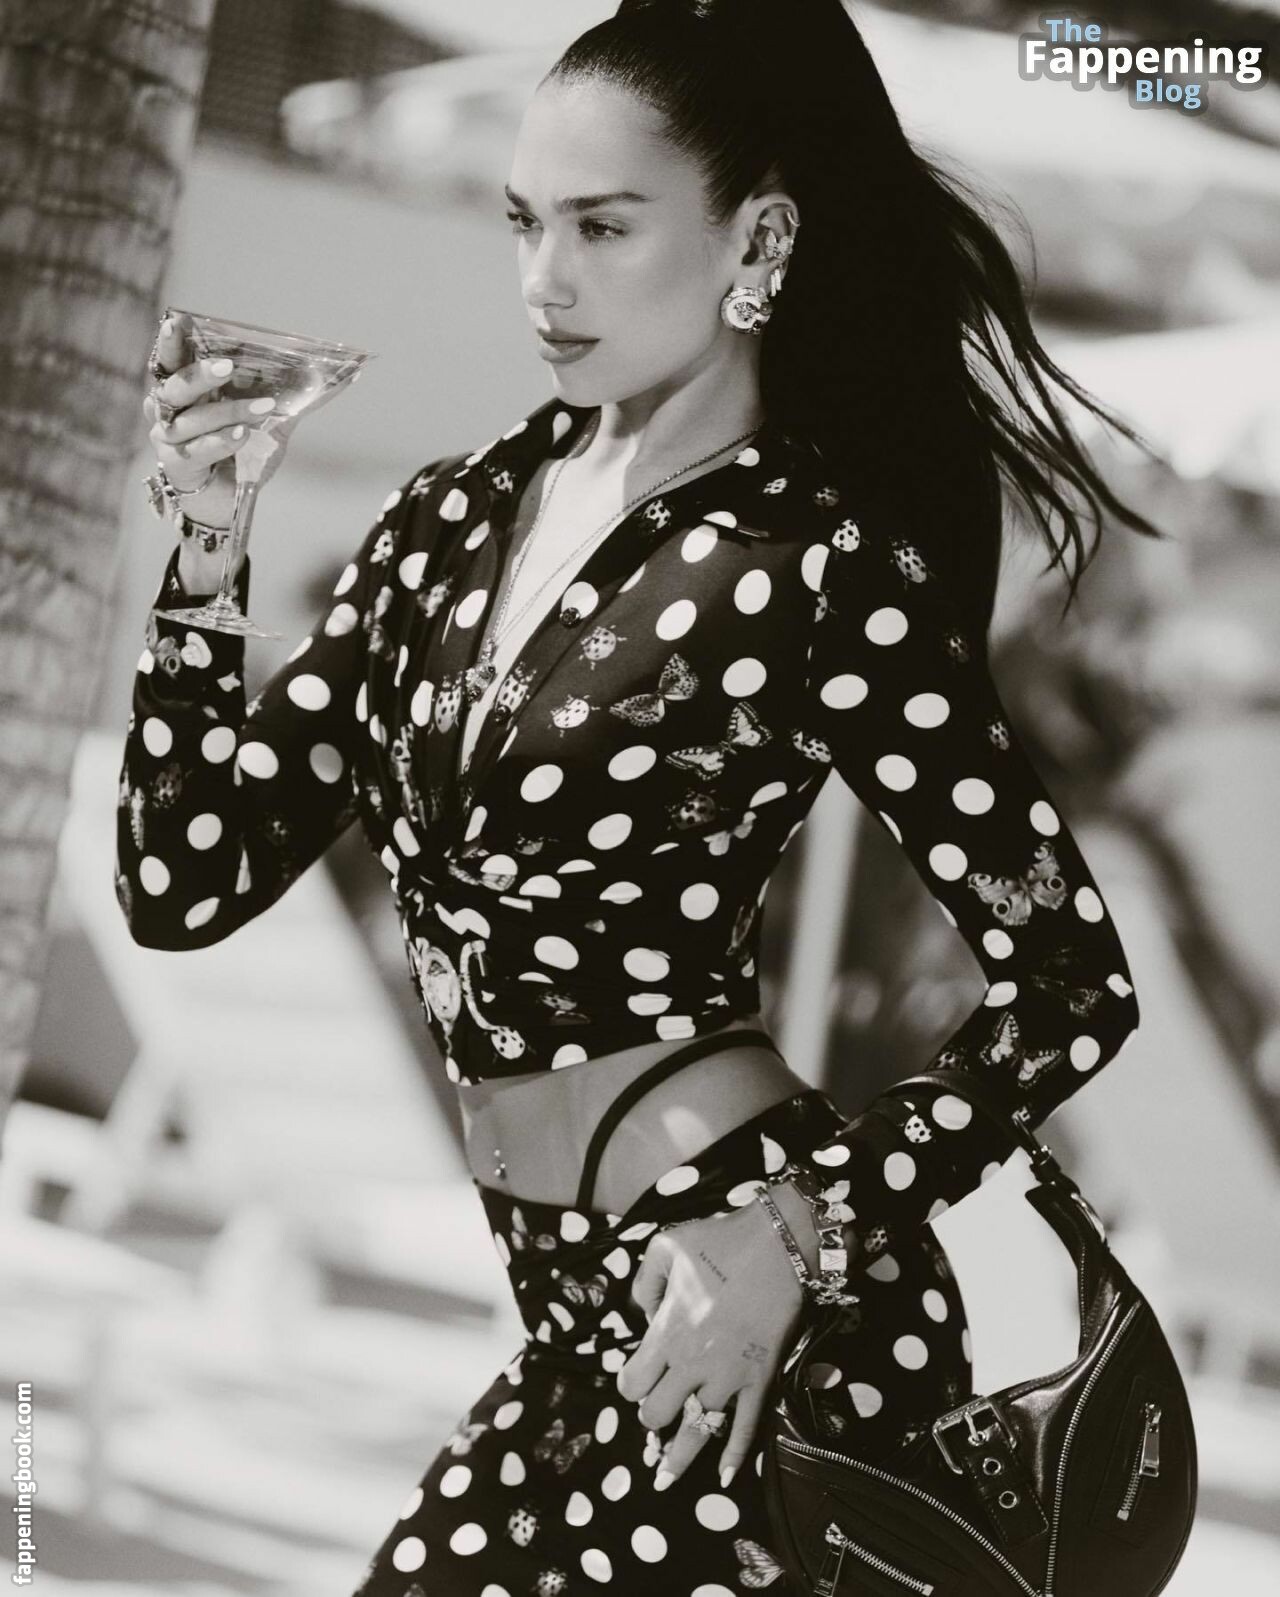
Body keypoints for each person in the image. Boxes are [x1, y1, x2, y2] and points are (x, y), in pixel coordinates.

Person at [118, 1, 1159, 1589]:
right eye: (523, 223)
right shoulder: (445, 526)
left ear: (760, 239)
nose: (546, 280)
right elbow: (180, 878)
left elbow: (1071, 981)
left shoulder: (813, 569)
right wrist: (206, 544)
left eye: (603, 227)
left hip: (755, 1330)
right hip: (575, 1328)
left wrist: (794, 1231)